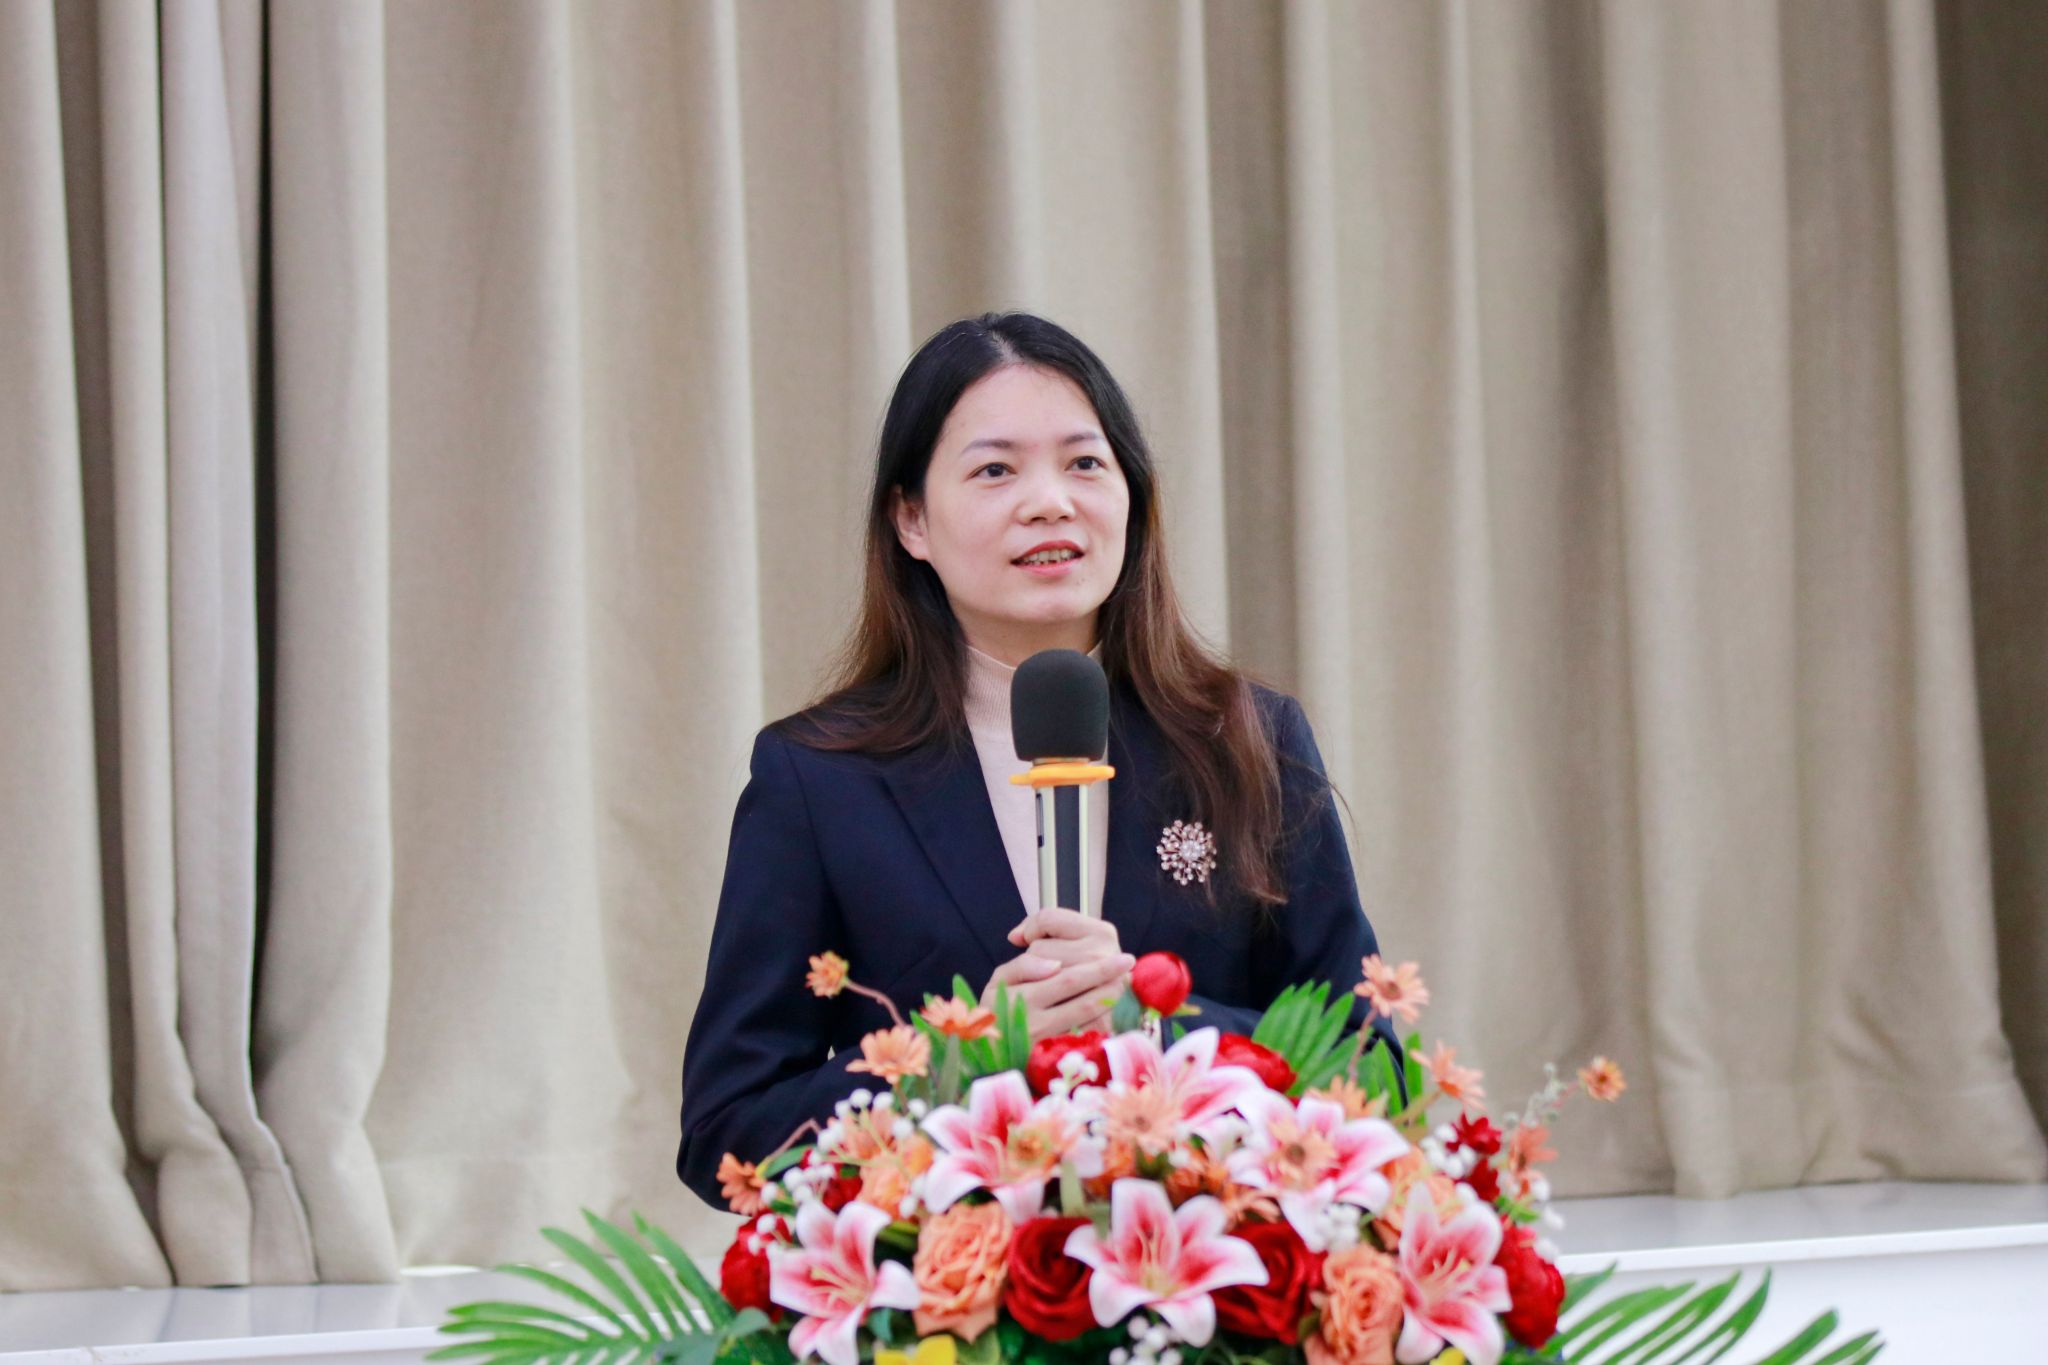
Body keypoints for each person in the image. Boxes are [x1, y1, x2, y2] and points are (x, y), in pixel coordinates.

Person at [677, 312, 1395, 1209]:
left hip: (1205, 1278)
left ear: (1132, 497)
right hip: (947, 1291)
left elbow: (1374, 1073)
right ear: (911, 520)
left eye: (1085, 463)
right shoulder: (818, 779)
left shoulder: (1249, 738)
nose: (1050, 501)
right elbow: (728, 1132)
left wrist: (1153, 1019)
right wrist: (964, 1056)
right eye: (995, 470)